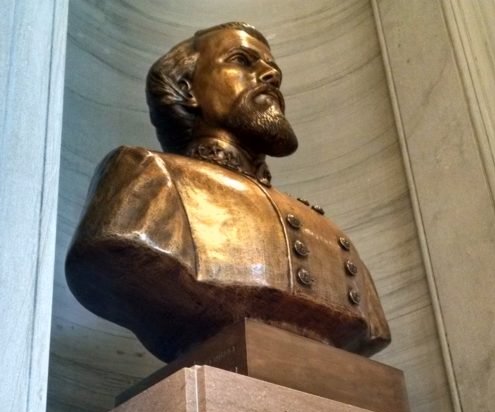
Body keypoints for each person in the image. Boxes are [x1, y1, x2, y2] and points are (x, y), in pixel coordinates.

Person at [66, 22, 390, 363]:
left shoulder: (329, 234)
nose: (270, 75)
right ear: (187, 88)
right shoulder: (148, 174)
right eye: (243, 60)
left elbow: (372, 332)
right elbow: (107, 251)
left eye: (272, 68)